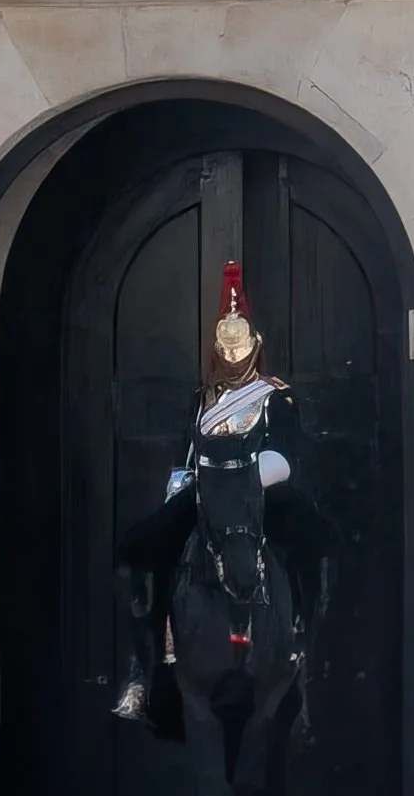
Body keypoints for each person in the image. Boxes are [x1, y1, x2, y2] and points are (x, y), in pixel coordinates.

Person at [111, 261, 323, 730]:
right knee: (140, 552)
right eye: (225, 351)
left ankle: (306, 659)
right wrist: (181, 487)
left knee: (315, 545)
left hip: (261, 492)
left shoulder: (274, 398)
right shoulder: (201, 399)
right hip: (206, 494)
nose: (232, 359)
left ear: (255, 347)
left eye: (239, 350)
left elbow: (284, 456)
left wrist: (241, 481)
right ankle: (142, 672)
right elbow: (184, 456)